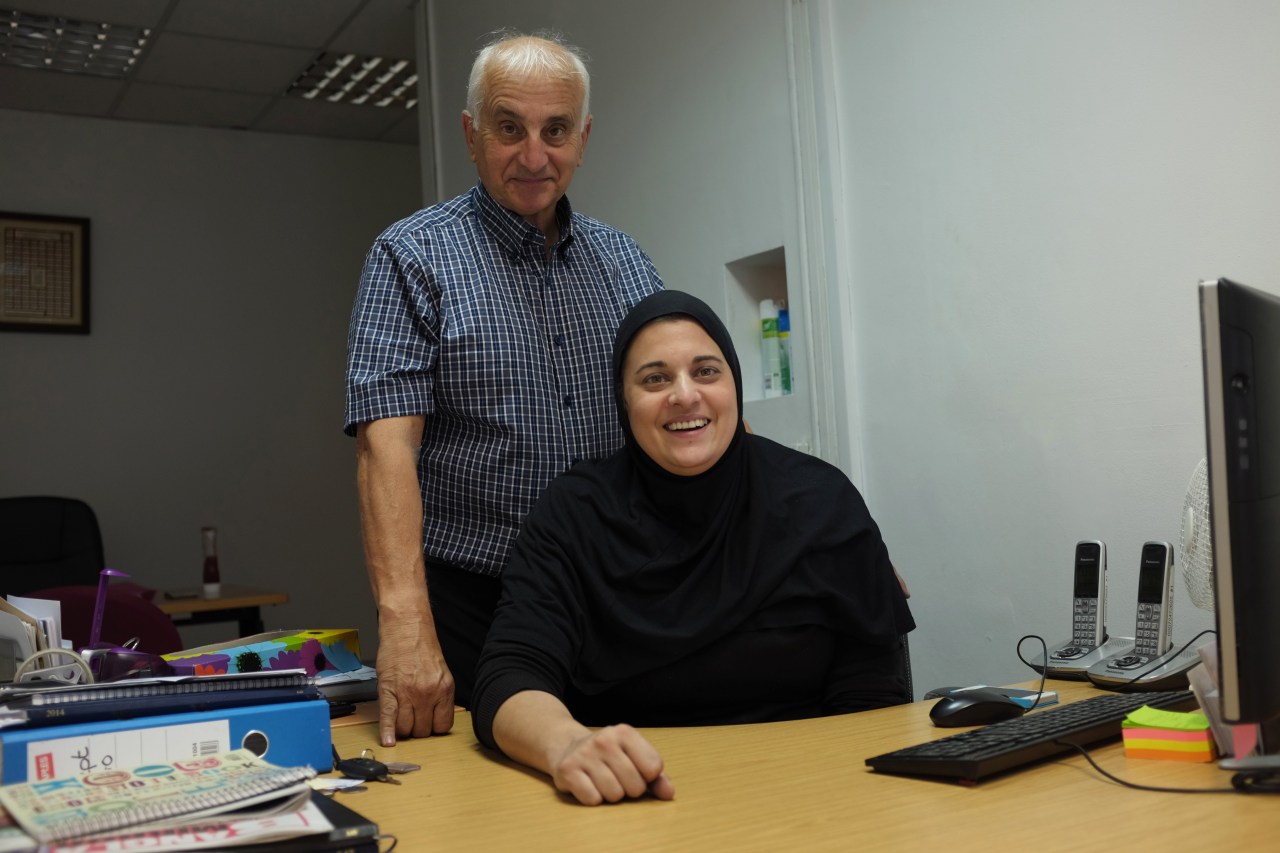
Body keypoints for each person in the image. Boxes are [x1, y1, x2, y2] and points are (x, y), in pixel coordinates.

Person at [471, 290, 916, 806]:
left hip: (809, 796)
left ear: (734, 385)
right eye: (655, 378)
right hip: (632, 799)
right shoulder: (573, 513)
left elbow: (874, 694)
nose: (684, 395)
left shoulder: (820, 499)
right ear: (623, 400)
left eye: (706, 371)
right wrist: (568, 744)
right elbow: (508, 677)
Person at [344, 30, 663, 747]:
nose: (533, 155)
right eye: (509, 127)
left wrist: (818, 538)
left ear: (583, 137)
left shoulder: (626, 262)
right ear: (471, 133)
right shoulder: (411, 255)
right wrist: (404, 624)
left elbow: (684, 420)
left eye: (555, 131)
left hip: (615, 595)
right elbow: (383, 449)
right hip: (472, 604)